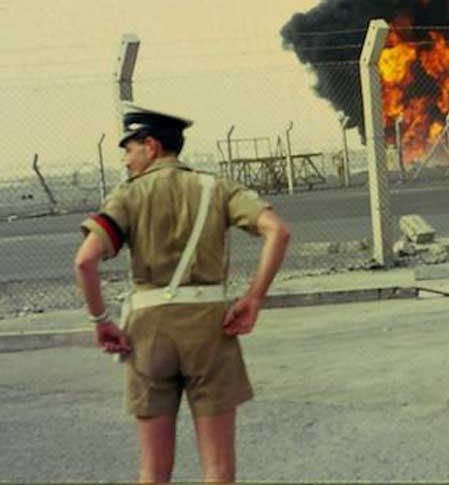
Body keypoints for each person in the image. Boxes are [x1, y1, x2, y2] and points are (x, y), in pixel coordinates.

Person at [73, 104, 290, 483]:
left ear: (151, 146)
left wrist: (101, 321)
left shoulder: (127, 196)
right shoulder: (216, 188)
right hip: (210, 328)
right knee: (218, 468)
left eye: (129, 150)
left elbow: (85, 261)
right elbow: (278, 231)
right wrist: (254, 297)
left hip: (148, 332)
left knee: (153, 469)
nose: (126, 161)